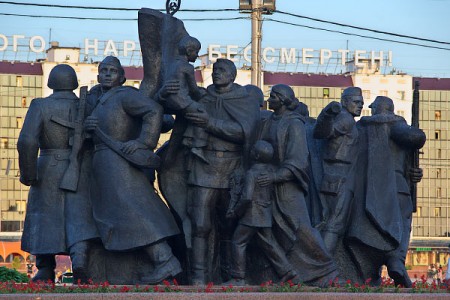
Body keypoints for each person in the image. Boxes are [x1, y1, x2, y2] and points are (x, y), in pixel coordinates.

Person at [84, 56, 182, 284]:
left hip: (119, 162)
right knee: (120, 213)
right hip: (104, 163)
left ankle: (165, 259)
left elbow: (154, 111)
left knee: (133, 210)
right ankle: (152, 262)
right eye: (103, 70)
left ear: (122, 77)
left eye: (112, 71)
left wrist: (143, 142)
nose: (107, 74)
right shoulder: (100, 100)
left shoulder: (125, 95)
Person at [179, 58, 261, 284]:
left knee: (231, 225)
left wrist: (209, 123)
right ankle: (198, 277)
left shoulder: (244, 100)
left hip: (232, 168)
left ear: (233, 75)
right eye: (214, 70)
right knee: (200, 224)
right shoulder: (204, 97)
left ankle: (232, 275)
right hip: (203, 166)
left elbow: (243, 132)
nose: (217, 74)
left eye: (222, 70)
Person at [18, 64, 98, 283]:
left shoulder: (40, 105)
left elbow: (27, 141)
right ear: (73, 83)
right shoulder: (88, 105)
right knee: (80, 214)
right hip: (82, 166)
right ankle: (80, 260)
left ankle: (45, 268)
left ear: (50, 82)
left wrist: (28, 173)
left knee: (45, 218)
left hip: (48, 167)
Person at [258, 84, 337, 285]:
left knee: (300, 228)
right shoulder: (269, 121)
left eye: (274, 96)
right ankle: (286, 273)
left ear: (283, 99)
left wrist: (276, 176)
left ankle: (328, 272)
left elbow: (298, 160)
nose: (270, 99)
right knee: (269, 230)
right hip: (266, 184)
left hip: (287, 185)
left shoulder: (294, 124)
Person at [346, 96, 426, 287]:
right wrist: (412, 130)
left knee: (371, 229)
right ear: (390, 110)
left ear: (375, 109)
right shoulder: (395, 124)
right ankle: (396, 259)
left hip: (364, 191)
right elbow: (417, 138)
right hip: (396, 186)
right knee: (403, 223)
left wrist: (413, 171)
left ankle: (371, 272)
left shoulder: (360, 127)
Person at [225, 140, 298, 285]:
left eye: (252, 151)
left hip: (251, 215)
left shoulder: (251, 174)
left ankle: (238, 278)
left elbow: (246, 197)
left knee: (238, 242)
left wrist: (236, 212)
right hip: (265, 214)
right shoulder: (270, 172)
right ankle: (288, 272)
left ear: (256, 156)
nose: (250, 152)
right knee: (269, 243)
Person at [313, 87, 364, 255]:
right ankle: (323, 267)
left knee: (329, 222)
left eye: (361, 103)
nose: (360, 106)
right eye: (356, 102)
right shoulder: (345, 119)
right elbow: (324, 133)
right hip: (340, 174)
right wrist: (327, 115)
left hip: (338, 174)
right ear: (344, 102)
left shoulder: (347, 119)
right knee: (335, 224)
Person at [162, 36, 208, 162]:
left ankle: (187, 139)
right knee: (201, 114)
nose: (197, 56)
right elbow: (193, 89)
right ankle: (196, 145)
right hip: (181, 101)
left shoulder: (172, 64)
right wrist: (202, 94)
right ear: (188, 51)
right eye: (196, 52)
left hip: (169, 100)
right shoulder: (187, 67)